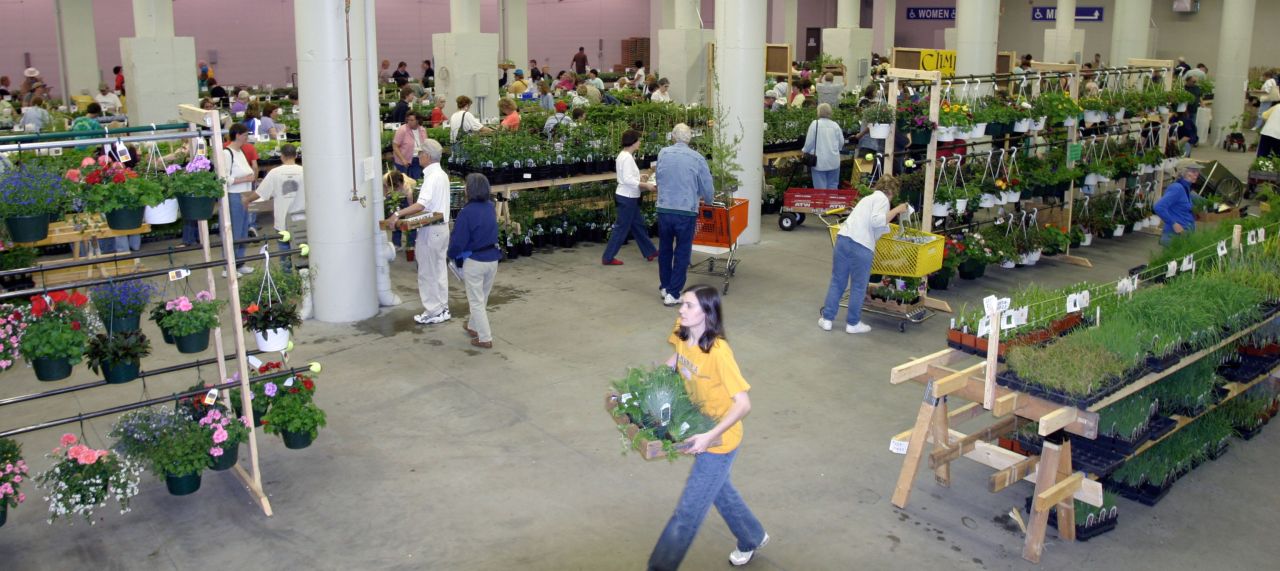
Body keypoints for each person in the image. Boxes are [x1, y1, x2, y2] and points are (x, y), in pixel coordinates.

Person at [647, 284, 767, 570]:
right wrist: (651, 382)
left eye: (688, 305)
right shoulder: (682, 329)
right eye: (683, 304)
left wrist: (710, 436)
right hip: (697, 423)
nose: (681, 309)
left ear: (707, 313)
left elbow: (743, 404)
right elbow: (678, 356)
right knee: (718, 489)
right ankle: (752, 536)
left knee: (687, 513)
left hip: (719, 438)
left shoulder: (719, 352)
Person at [820, 176, 910, 333]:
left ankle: (827, 319)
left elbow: (873, 224)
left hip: (843, 240)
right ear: (891, 191)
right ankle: (853, 324)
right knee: (858, 286)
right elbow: (877, 222)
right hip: (861, 246)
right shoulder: (883, 200)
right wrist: (898, 210)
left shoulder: (867, 199)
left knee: (838, 281)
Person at [386, 139, 452, 325]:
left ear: (427, 156)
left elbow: (421, 204)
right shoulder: (442, 175)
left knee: (426, 271)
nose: (418, 156)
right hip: (441, 228)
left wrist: (397, 214)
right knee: (438, 269)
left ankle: (433, 311)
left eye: (420, 153)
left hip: (431, 231)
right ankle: (442, 308)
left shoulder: (432, 177)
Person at [654, 124, 715, 307]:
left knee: (664, 248)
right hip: (686, 210)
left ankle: (665, 286)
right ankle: (673, 293)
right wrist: (709, 201)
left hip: (664, 208)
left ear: (673, 137)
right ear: (690, 138)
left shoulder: (663, 153)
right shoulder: (697, 158)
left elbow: (658, 177)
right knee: (682, 251)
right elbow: (707, 185)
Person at [448, 173, 501, 349]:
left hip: (474, 261)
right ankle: (472, 326)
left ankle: (485, 337)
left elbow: (458, 242)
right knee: (482, 296)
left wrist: (451, 255)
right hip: (492, 258)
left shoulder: (466, 213)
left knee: (476, 300)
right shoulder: (490, 207)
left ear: (469, 190)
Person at [241, 144, 305, 267]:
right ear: (296, 155)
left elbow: (260, 193)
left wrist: (247, 199)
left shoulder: (274, 173)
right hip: (302, 220)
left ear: (282, 156)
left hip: (282, 221)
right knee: (302, 253)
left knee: (284, 255)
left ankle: (288, 282)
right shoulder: (304, 171)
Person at [602, 130, 658, 266]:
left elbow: (626, 176)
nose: (640, 143)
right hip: (627, 197)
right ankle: (608, 257)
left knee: (638, 225)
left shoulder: (624, 155)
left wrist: (640, 177)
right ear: (633, 142)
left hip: (627, 196)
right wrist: (645, 184)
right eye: (638, 140)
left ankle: (650, 251)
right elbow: (627, 179)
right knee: (621, 228)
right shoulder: (627, 158)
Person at [218, 123, 257, 275]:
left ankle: (240, 262)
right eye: (246, 135)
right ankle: (227, 266)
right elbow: (224, 178)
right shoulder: (227, 153)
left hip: (246, 194)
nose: (247, 137)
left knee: (243, 230)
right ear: (238, 135)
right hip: (234, 195)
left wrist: (251, 178)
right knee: (233, 230)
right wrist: (244, 179)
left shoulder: (240, 152)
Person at [1154, 159, 1200, 246]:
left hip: (1184, 235)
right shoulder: (1177, 188)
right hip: (1175, 237)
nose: (1196, 174)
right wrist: (1174, 224)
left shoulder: (1186, 188)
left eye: (1197, 171)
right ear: (1184, 172)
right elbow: (1159, 207)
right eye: (1193, 171)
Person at [803, 103, 845, 190]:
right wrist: (837, 149)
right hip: (834, 161)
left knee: (820, 188)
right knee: (833, 185)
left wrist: (805, 150)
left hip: (819, 161)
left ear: (818, 112)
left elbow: (809, 142)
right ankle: (831, 202)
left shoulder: (815, 124)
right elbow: (841, 142)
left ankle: (822, 203)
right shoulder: (835, 125)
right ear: (830, 113)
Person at [393, 112, 429, 180]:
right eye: (408, 120)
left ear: (418, 121)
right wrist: (403, 159)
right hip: (403, 161)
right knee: (404, 182)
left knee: (416, 180)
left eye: (412, 120)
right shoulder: (402, 130)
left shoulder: (422, 130)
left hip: (417, 159)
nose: (409, 122)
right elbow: (395, 146)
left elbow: (426, 144)